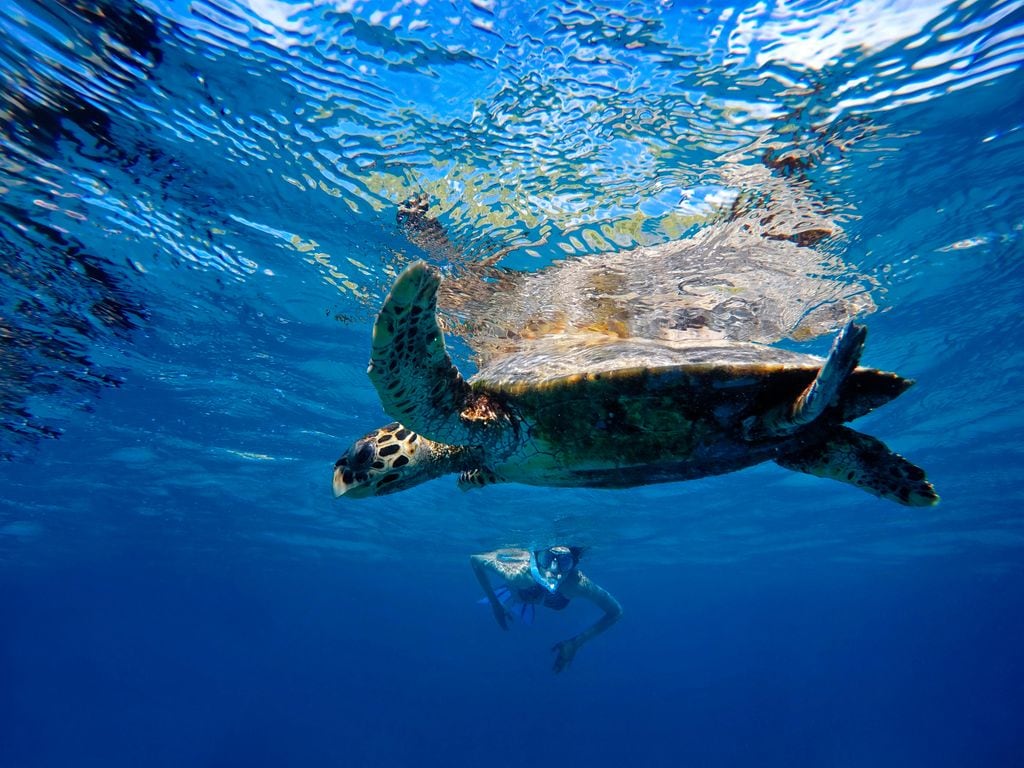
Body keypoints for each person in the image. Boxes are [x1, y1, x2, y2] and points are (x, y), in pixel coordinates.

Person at [470, 546, 623, 673]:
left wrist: (576, 643)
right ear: (536, 558)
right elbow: (475, 559)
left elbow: (616, 612)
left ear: (573, 564)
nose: (554, 569)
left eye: (565, 562)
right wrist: (495, 603)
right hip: (514, 594)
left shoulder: (577, 584)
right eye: (546, 559)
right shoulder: (518, 574)